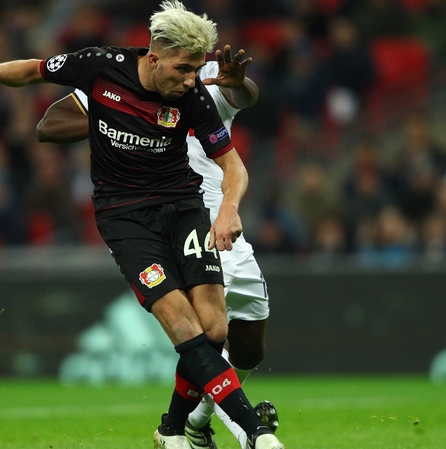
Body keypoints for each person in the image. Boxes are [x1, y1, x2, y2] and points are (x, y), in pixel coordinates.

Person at [0, 2, 284, 449]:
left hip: (188, 208)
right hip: (125, 216)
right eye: (184, 69)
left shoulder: (195, 92)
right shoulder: (102, 68)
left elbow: (235, 157)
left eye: (195, 71)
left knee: (219, 331)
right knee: (185, 328)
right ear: (153, 58)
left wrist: (228, 208)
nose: (190, 79)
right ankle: (255, 432)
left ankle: (172, 430)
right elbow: (37, 79)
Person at [36, 43, 278, 449]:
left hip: (220, 217)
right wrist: (120, 117)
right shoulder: (123, 81)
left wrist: (241, 85)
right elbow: (48, 125)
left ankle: (189, 425)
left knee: (248, 346)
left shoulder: (207, 77)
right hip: (161, 215)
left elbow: (244, 96)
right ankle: (252, 432)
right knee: (200, 330)